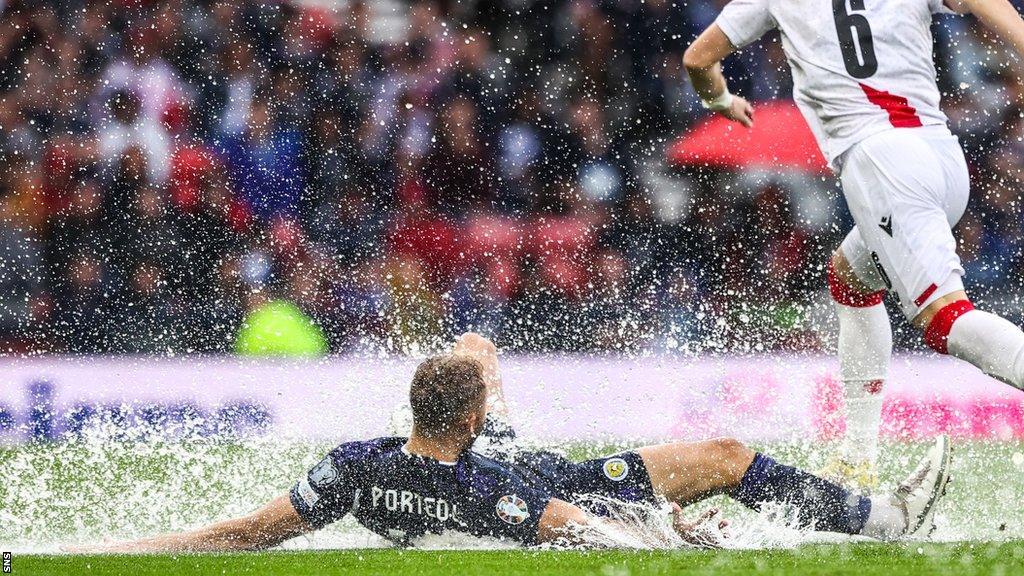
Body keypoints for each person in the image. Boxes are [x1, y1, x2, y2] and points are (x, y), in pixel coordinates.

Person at [69, 333, 950, 552]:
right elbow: (586, 526)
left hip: (485, 463)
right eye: (482, 397)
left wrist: (131, 548)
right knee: (722, 458)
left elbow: (250, 531)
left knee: (483, 341)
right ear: (473, 418)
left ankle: (872, 512)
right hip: (552, 479)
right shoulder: (493, 492)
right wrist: (672, 531)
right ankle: (883, 519)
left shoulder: (355, 465)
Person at [683, 0, 1024, 490]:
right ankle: (856, 459)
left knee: (945, 320)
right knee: (849, 276)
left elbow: (698, 59)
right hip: (942, 157)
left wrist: (719, 102)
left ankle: (856, 460)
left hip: (882, 162)